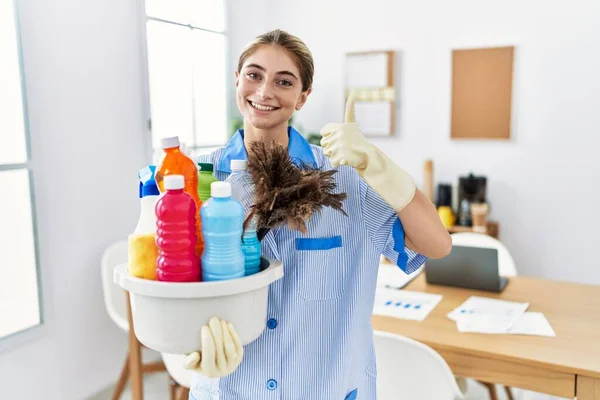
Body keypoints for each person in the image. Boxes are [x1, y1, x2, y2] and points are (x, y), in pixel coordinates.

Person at [186, 29, 452, 399]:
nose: (264, 91)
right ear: (237, 80)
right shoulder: (197, 178)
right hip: (231, 388)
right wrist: (187, 343)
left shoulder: (344, 175)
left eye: (284, 81)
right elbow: (173, 283)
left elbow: (436, 244)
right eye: (254, 74)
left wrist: (380, 166)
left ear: (303, 96)